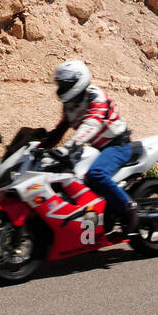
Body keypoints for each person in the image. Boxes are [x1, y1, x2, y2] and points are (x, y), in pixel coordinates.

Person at [42, 60, 140, 235]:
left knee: (96, 174)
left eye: (65, 85)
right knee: (69, 176)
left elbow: (91, 123)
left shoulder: (95, 95)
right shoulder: (70, 104)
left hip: (118, 145)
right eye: (60, 85)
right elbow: (61, 129)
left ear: (78, 82)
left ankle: (129, 208)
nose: (61, 88)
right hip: (95, 148)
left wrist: (71, 146)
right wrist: (41, 148)